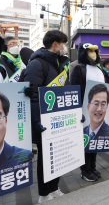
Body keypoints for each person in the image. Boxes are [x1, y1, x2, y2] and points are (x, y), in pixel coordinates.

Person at [23, 30, 69, 204]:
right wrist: (36, 121)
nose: (64, 47)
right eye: (63, 43)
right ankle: (43, 194)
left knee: (57, 155)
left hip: (59, 119)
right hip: (44, 119)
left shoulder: (60, 64)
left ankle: (54, 187)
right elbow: (33, 95)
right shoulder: (37, 64)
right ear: (55, 44)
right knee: (45, 157)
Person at [70, 42, 107, 182]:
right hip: (84, 111)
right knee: (85, 141)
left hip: (98, 111)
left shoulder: (99, 69)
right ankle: (85, 170)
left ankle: (92, 167)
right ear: (83, 53)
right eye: (89, 51)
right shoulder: (79, 69)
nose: (92, 53)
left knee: (95, 139)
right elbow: (74, 91)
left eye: (94, 51)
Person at [84, 84, 109, 152]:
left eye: (103, 104)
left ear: (107, 107)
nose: (99, 109)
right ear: (88, 107)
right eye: (96, 104)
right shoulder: (82, 131)